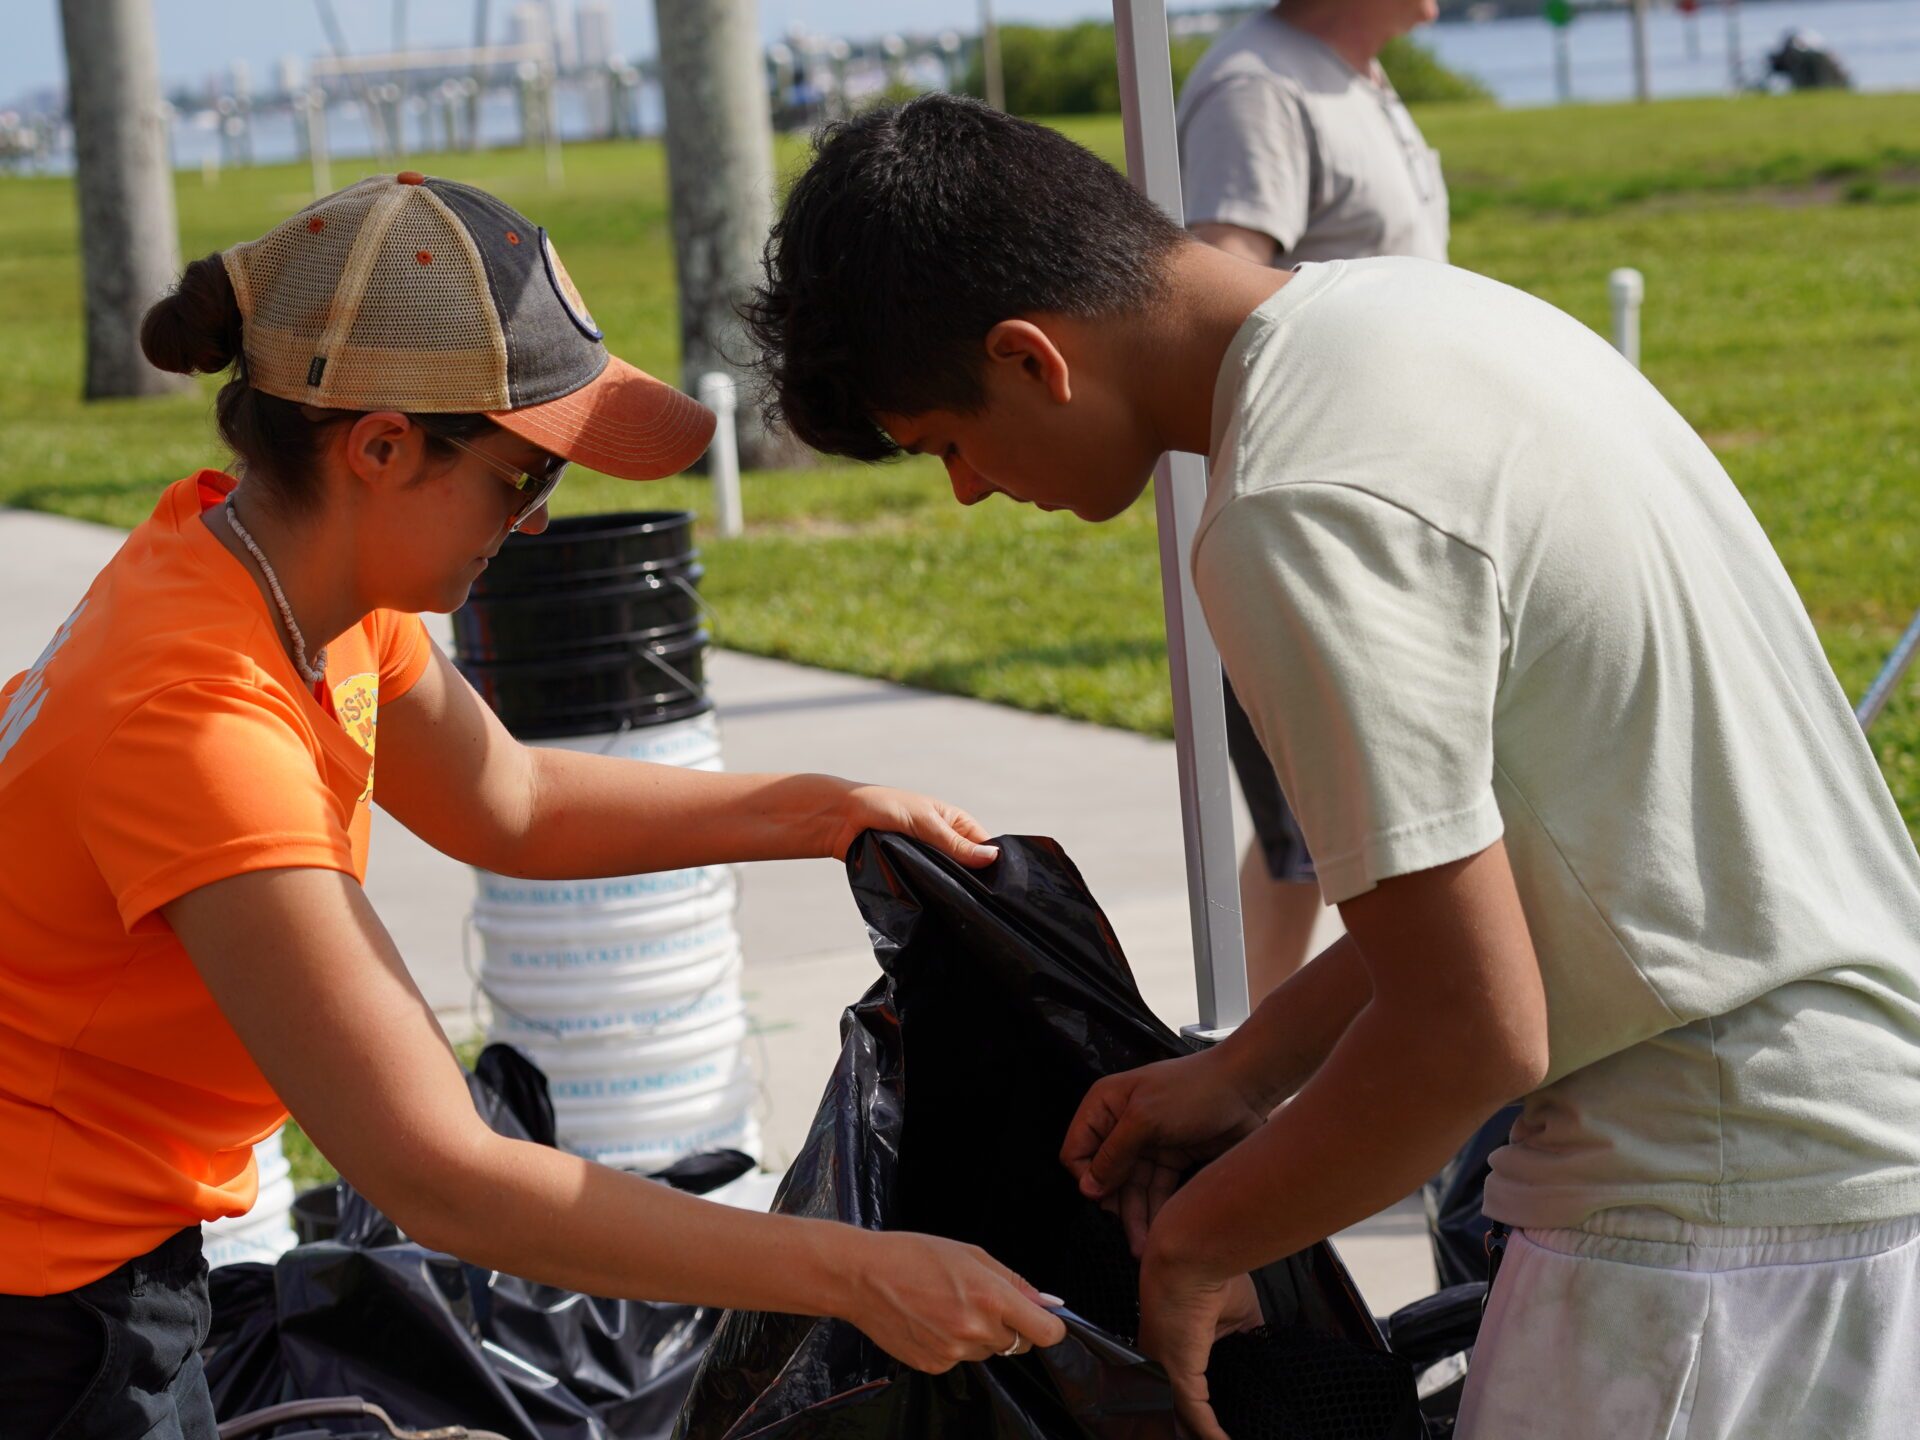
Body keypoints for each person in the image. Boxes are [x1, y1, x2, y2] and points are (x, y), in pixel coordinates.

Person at [741, 96, 1920, 1440]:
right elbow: (1555, 852)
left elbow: (1467, 1031)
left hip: (1709, 1240)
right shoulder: (1424, 318)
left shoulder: (1296, 507)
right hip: (1843, 1136)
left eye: (950, 442)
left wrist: (1193, 1247)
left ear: (1031, 359)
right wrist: (1252, 1066)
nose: (966, 489)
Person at [0, 173, 1065, 1440]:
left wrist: (818, 810)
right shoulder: (200, 721)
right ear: (382, 446)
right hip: (41, 1304)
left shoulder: (282, 575)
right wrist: (860, 1275)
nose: (542, 514)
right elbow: (441, 1176)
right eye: (520, 476)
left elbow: (511, 802)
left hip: (90, 1254)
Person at [1178, 0, 1449, 999]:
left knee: (1310, 831)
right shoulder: (1260, 86)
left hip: (1399, 507)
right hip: (1327, 526)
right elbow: (1216, 299)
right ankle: (1283, 1068)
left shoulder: (1347, 74)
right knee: (1358, 827)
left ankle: (1253, 1054)